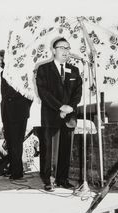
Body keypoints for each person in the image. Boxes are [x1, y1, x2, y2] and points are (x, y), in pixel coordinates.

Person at [36, 37, 82, 191]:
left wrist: (70, 107)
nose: (66, 51)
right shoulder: (44, 69)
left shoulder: (74, 70)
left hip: (69, 116)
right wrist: (60, 107)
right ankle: (48, 179)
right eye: (62, 47)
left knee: (66, 149)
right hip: (51, 115)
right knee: (48, 149)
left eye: (68, 48)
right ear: (54, 50)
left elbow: (78, 92)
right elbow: (44, 92)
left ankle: (63, 179)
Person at [0, 50, 33, 180]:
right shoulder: (2, 73)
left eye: (1, 58)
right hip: (6, 113)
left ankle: (17, 172)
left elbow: (29, 93)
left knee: (17, 142)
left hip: (19, 112)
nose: (0, 62)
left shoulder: (19, 71)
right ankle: (13, 169)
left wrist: (24, 108)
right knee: (10, 142)